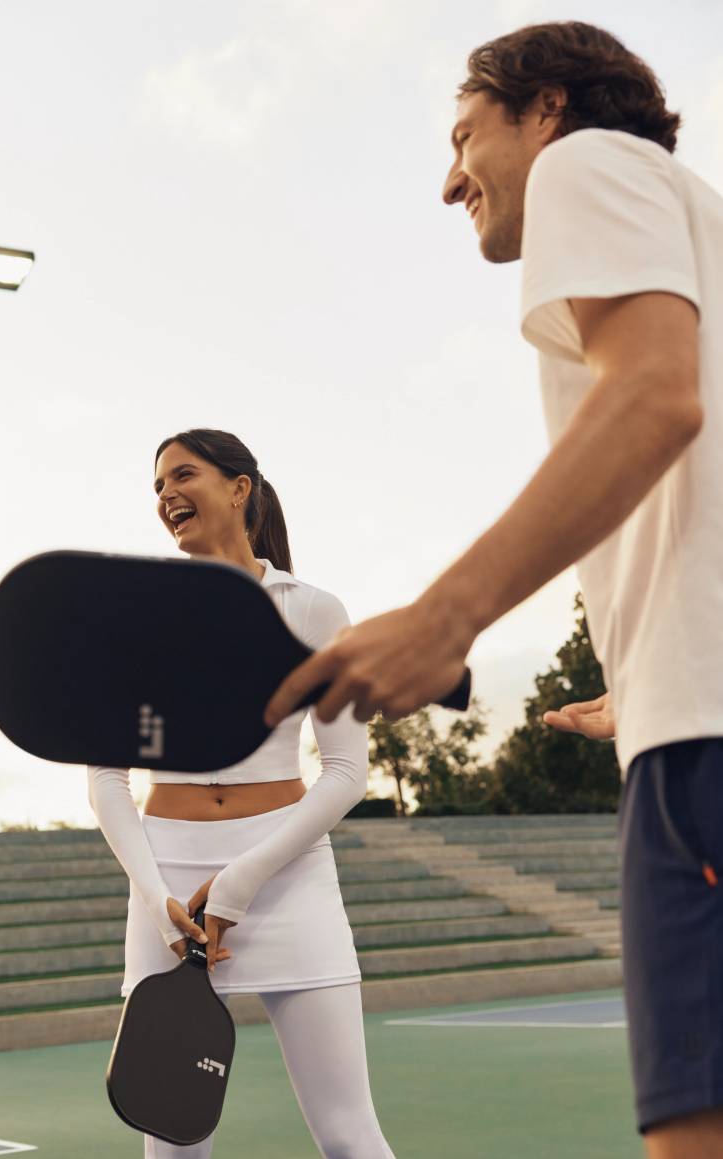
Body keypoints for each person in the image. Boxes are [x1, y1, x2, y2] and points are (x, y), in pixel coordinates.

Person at [266, 20, 723, 1157]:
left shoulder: (590, 162)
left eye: (465, 135)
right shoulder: (695, 215)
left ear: (547, 109)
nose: (446, 179)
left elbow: (658, 397)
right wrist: (644, 681)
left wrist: (446, 613)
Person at [88, 428, 395, 1159]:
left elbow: (346, 770)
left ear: (239, 487)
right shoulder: (137, 616)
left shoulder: (314, 610)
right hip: (164, 883)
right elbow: (105, 778)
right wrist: (154, 890)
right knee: (174, 1142)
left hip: (287, 875)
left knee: (349, 1134)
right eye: (156, 486)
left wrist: (242, 878)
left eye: (182, 474)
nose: (165, 495)